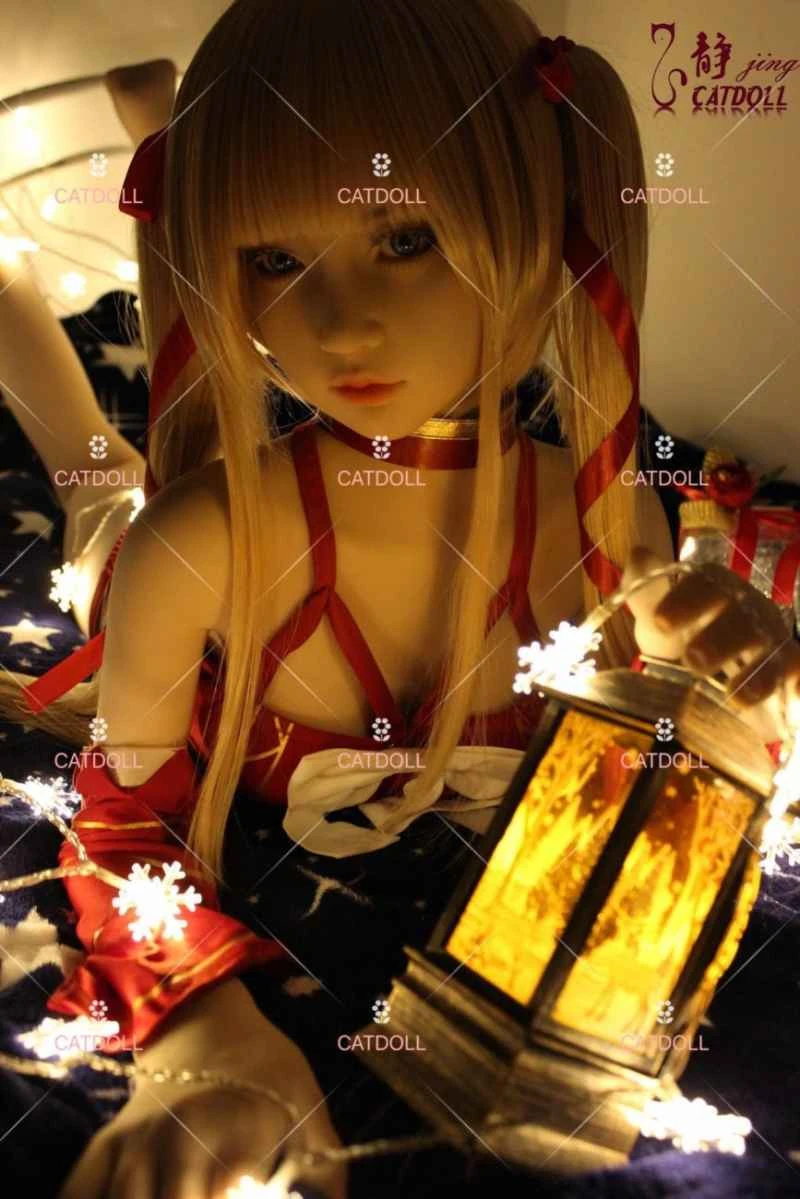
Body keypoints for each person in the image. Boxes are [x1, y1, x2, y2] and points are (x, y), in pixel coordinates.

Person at [0, 3, 797, 1197]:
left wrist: (741, 654)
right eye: (272, 259)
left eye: (406, 238)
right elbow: (119, 819)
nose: (339, 326)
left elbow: (682, 680)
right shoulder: (195, 541)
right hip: (146, 559)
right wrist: (199, 1030)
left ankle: (182, 136)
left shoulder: (595, 522)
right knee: (98, 483)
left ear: (542, 214)